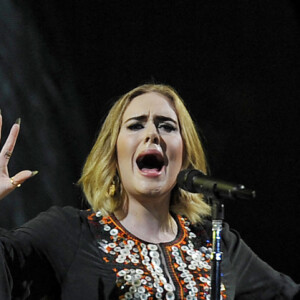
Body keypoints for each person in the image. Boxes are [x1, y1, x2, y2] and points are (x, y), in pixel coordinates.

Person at [0, 84, 299, 300]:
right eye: (135, 126)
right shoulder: (69, 233)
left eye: (167, 126)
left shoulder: (217, 244)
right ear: (113, 154)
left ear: (184, 154)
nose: (152, 134)